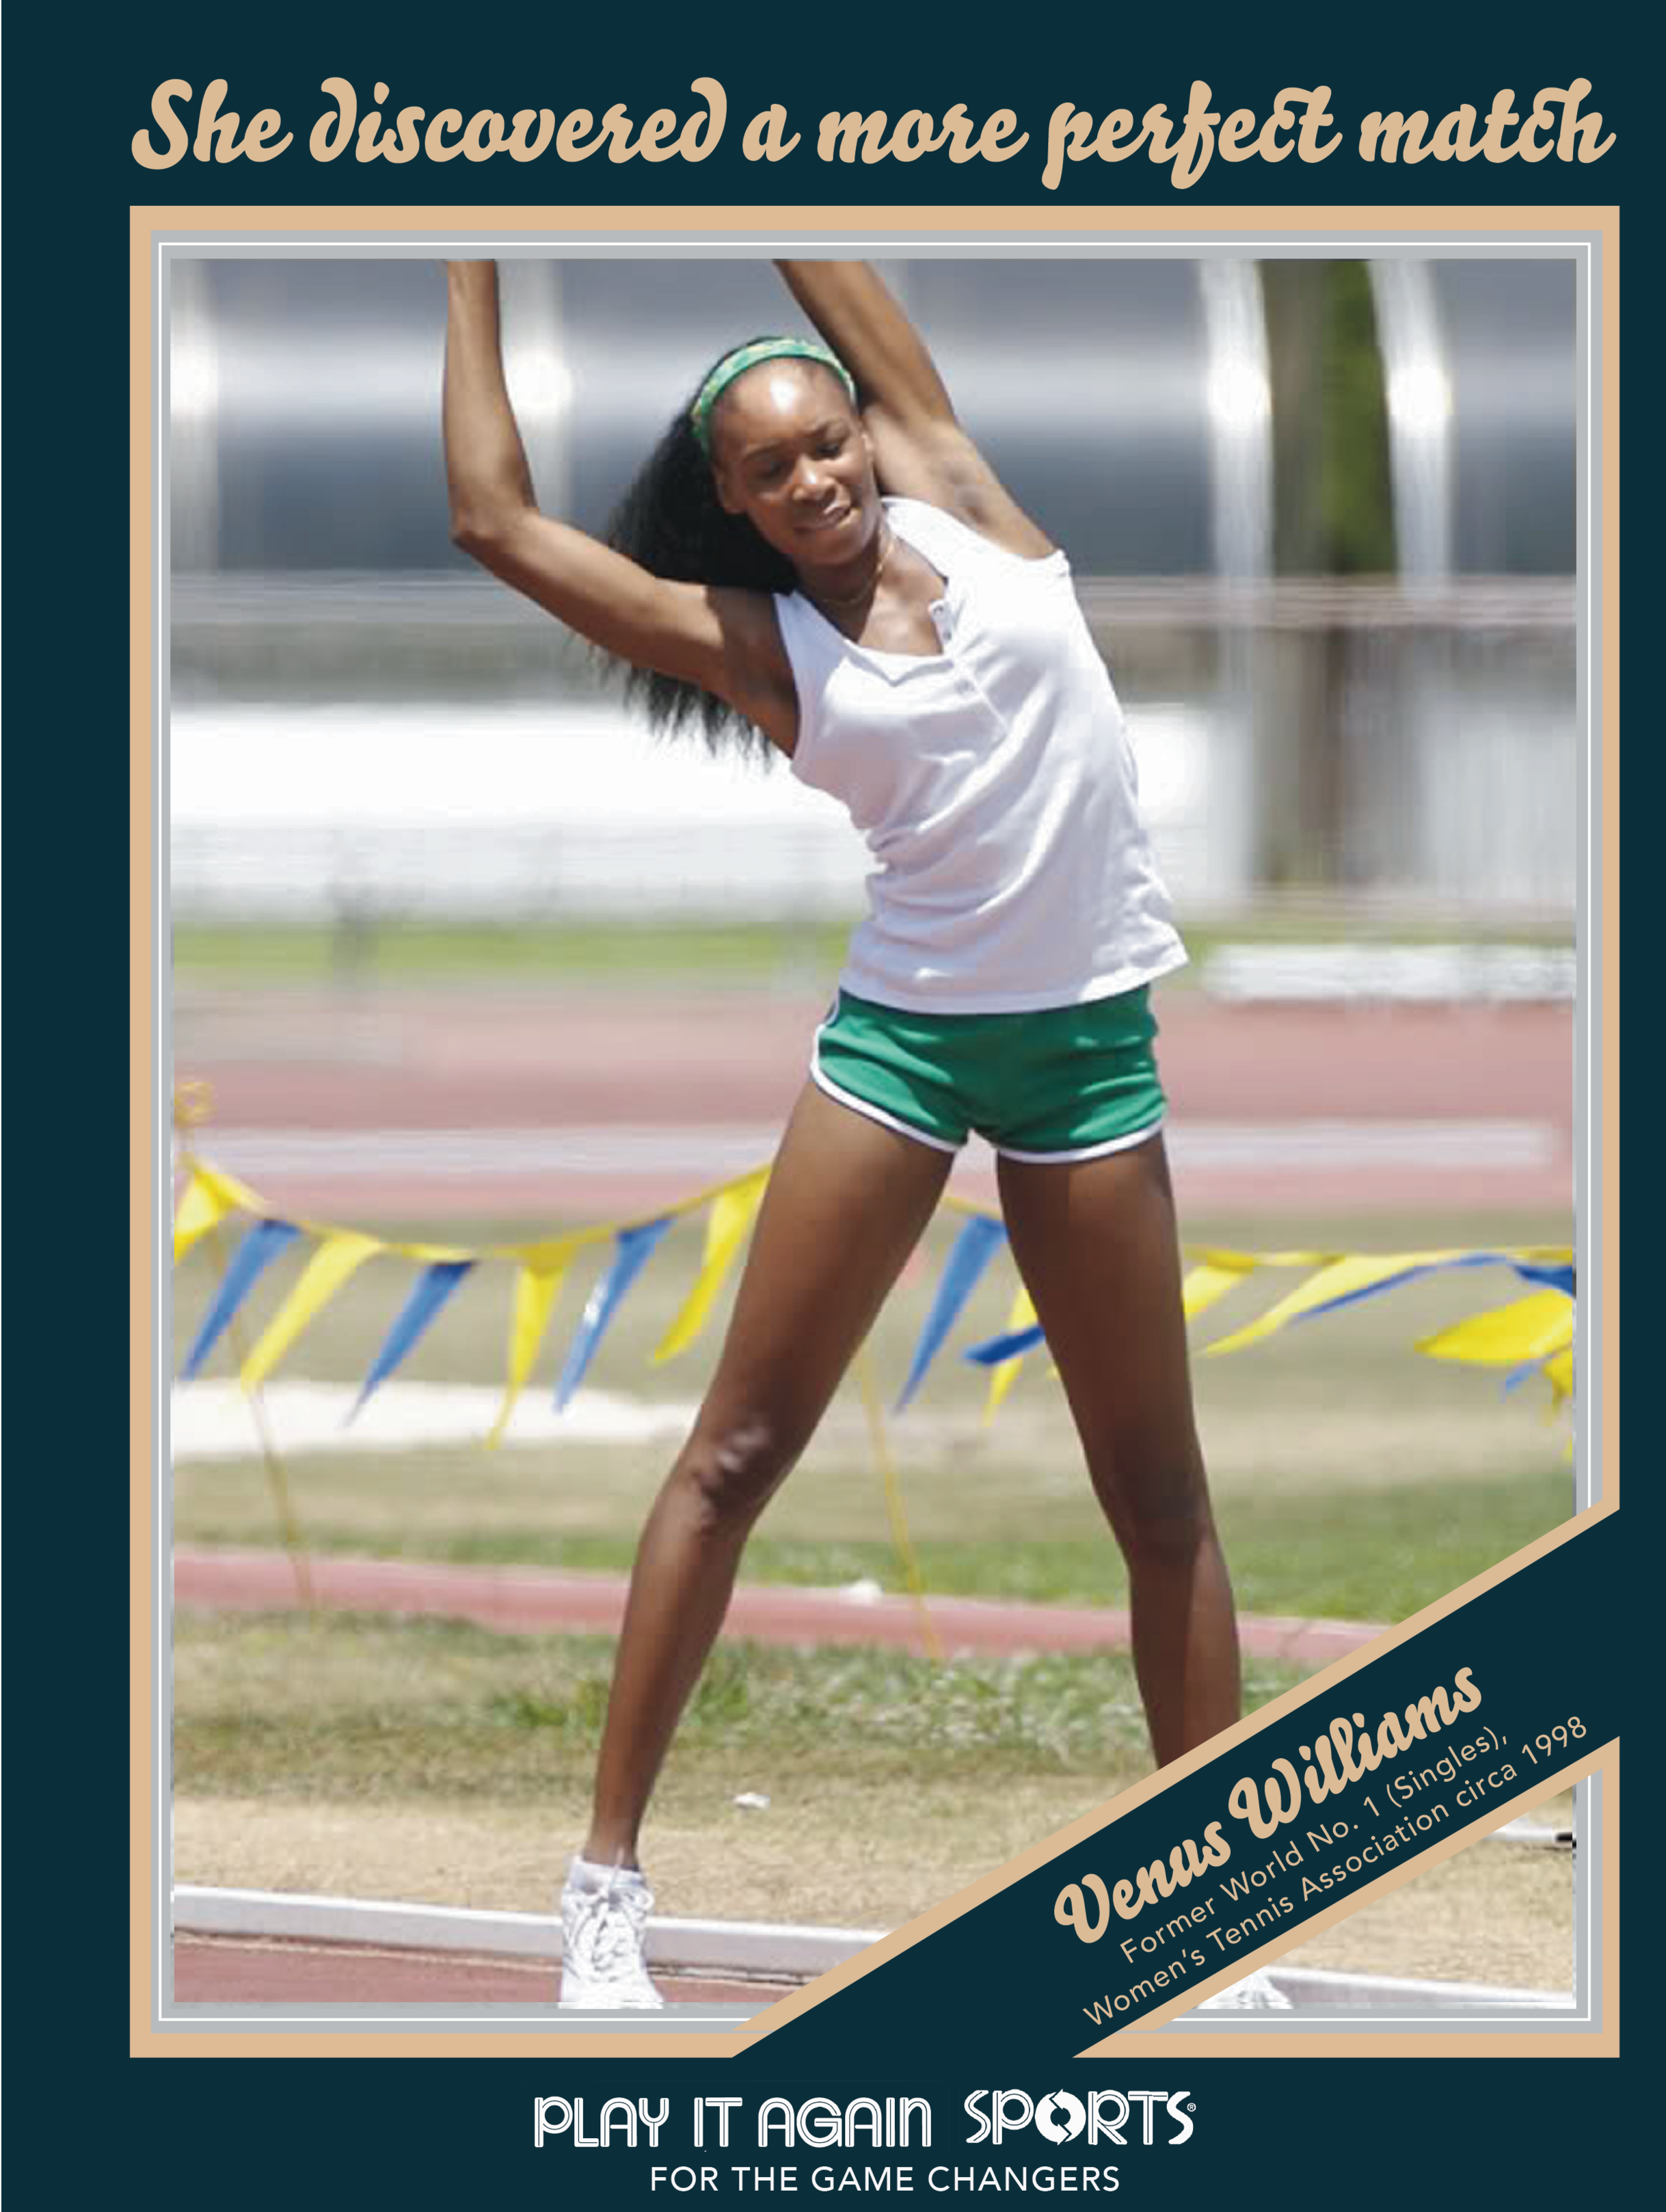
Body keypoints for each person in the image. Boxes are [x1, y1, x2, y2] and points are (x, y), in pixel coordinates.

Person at [442, 259, 1278, 2013]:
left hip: (1088, 1062)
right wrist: (472, 256)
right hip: (900, 1049)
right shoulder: (763, 645)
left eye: (827, 442)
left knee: (1158, 1499)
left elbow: (818, 243)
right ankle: (601, 1890)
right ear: (732, 500)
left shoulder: (960, 489)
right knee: (734, 1458)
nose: (815, 478)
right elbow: (494, 526)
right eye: (771, 470)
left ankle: (1210, 1924)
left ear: (869, 431)